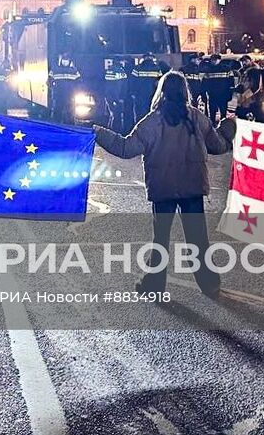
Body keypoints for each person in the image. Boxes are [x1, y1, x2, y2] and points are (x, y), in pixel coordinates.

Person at [93, 71, 229, 297]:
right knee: (197, 237)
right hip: (192, 186)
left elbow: (126, 148)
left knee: (161, 239)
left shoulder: (152, 121)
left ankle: (154, 284)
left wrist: (98, 133)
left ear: (161, 92)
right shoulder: (196, 118)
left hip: (163, 188)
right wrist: (228, 129)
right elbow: (218, 146)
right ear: (185, 91)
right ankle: (209, 283)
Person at [201, 53, 232, 124]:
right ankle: (212, 127)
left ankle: (223, 127)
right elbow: (204, 84)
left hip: (223, 95)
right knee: (212, 113)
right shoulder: (208, 70)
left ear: (219, 60)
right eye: (212, 60)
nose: (214, 61)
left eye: (215, 60)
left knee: (223, 113)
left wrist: (230, 94)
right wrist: (203, 94)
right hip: (212, 95)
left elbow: (230, 83)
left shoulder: (226, 69)